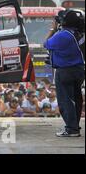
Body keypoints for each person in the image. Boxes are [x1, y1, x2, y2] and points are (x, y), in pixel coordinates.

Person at [44, 9, 85, 137]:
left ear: (64, 21)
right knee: (76, 99)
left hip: (66, 71)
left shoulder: (63, 35)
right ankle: (74, 127)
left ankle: (71, 129)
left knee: (65, 101)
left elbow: (46, 43)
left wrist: (53, 29)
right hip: (78, 69)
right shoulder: (78, 33)